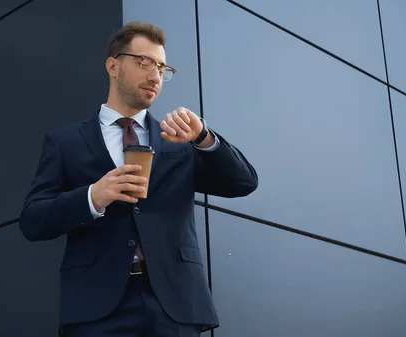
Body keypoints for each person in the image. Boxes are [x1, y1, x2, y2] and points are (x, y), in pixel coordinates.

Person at [19, 21, 258, 337]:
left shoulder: (179, 140)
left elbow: (243, 182)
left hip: (175, 305)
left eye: (161, 67)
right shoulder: (66, 142)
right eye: (144, 62)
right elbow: (33, 220)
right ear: (113, 65)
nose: (155, 75)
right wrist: (93, 197)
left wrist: (203, 136)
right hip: (96, 308)